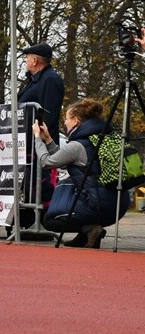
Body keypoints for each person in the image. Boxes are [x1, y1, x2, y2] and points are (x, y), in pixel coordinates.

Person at [32, 98, 131, 248]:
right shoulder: (103, 137)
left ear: (76, 120)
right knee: (77, 182)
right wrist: (48, 139)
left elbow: (47, 163)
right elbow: (64, 160)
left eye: (66, 119)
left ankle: (89, 229)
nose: (65, 122)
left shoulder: (77, 145)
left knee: (49, 219)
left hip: (97, 206)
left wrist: (38, 139)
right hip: (119, 205)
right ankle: (87, 236)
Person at [18, 42, 65, 204]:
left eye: (27, 58)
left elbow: (49, 115)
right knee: (29, 188)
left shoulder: (50, 79)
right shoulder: (34, 80)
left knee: (41, 189)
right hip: (27, 143)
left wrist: (40, 139)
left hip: (39, 145)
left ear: (35, 60)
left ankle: (45, 214)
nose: (26, 61)